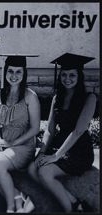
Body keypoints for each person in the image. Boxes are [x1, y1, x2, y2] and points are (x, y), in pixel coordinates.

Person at [27, 53, 96, 212]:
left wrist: (55, 156)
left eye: (72, 75)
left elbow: (78, 131)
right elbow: (50, 130)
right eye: (64, 74)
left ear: (79, 76)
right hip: (58, 143)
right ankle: (72, 199)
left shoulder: (89, 98)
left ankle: (69, 209)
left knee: (45, 172)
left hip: (79, 149)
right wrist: (42, 152)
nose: (67, 78)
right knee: (32, 168)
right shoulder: (57, 98)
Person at [0, 54, 40, 213]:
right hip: (4, 144)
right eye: (10, 71)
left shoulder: (30, 96)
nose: (14, 76)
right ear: (5, 72)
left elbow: (35, 129)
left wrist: (12, 144)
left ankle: (12, 207)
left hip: (23, 145)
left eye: (18, 72)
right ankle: (19, 196)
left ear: (24, 73)